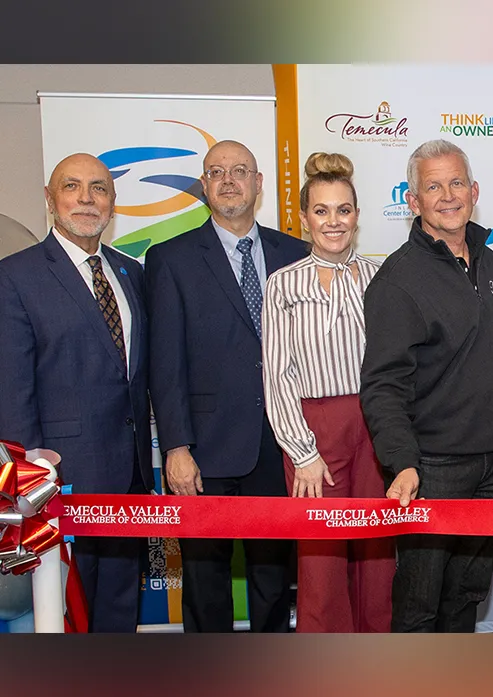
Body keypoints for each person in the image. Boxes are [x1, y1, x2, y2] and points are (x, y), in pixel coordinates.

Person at [360, 139, 493, 633]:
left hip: (492, 467)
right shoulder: (397, 280)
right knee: (420, 607)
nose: (448, 195)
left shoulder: (492, 264)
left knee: (466, 598)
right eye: (433, 186)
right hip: (432, 470)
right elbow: (382, 385)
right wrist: (403, 462)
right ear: (413, 201)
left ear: (474, 190)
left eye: (457, 182)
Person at [147, 140, 307, 632]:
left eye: (240, 170)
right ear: (204, 185)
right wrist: (175, 446)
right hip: (204, 451)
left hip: (280, 444)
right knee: (204, 581)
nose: (229, 179)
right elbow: (164, 362)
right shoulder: (170, 258)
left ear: (259, 184)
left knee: (274, 579)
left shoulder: (296, 252)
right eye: (217, 172)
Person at [0, 153, 155, 632]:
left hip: (129, 476)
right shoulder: (15, 276)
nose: (87, 198)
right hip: (59, 480)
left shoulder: (131, 273)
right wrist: (26, 481)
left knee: (119, 607)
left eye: (99, 188)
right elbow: (13, 386)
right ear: (50, 199)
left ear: (113, 202)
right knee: (64, 611)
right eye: (72, 186)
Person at [262, 152, 395, 633]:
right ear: (303, 219)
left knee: (378, 555)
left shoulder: (383, 277)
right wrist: (302, 453)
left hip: (377, 423)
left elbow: (400, 364)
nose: (333, 221)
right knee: (320, 560)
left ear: (357, 215)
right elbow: (277, 377)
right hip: (313, 430)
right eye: (321, 210)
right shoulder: (283, 284)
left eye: (343, 209)